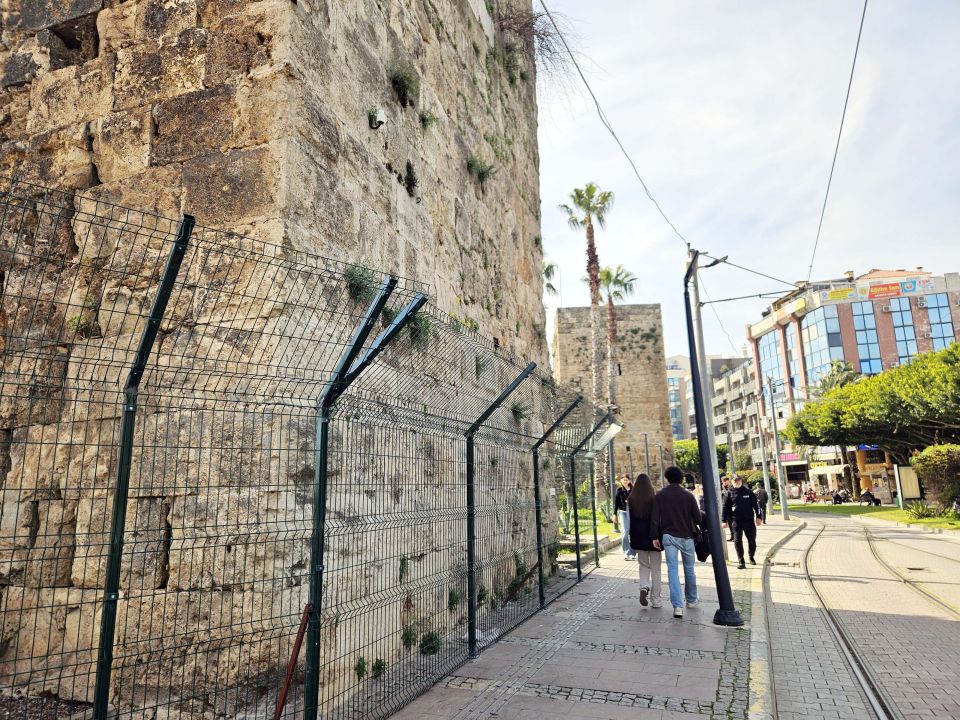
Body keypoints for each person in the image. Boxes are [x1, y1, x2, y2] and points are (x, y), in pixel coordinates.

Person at [650, 466, 704, 618]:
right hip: (687, 537)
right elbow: (698, 518)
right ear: (681, 478)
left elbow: (655, 519)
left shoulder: (660, 495)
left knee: (672, 570)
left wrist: (654, 537)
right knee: (689, 569)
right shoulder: (688, 496)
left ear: (667, 478)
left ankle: (677, 607)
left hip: (668, 537)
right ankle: (692, 600)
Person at [628, 473, 662, 608]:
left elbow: (629, 519)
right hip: (654, 537)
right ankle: (656, 600)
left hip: (638, 536)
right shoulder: (654, 498)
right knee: (656, 568)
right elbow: (658, 519)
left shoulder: (631, 499)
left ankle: (644, 587)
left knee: (643, 565)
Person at [722, 475, 762, 569]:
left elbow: (757, 506)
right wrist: (723, 520)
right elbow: (725, 508)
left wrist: (759, 517)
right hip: (736, 521)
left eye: (738, 480)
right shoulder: (728, 493)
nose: (737, 482)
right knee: (737, 541)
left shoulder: (748, 492)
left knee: (752, 541)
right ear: (732, 482)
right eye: (735, 480)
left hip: (749, 521)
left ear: (741, 480)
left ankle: (751, 556)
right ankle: (741, 561)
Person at [614, 475, 636, 560]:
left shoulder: (634, 490)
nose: (625, 481)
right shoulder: (619, 490)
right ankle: (626, 552)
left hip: (633, 513)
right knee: (625, 532)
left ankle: (633, 553)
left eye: (626, 480)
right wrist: (614, 514)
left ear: (629, 481)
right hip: (623, 513)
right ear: (621, 481)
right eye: (623, 480)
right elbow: (616, 503)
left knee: (633, 533)